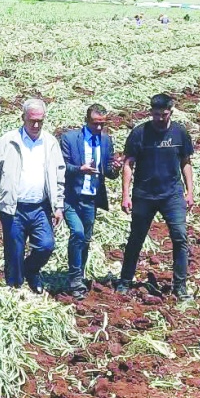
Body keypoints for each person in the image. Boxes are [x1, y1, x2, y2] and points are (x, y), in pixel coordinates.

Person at [0, 99, 65, 293]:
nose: (35, 125)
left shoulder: (50, 142)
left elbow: (59, 175)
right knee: (14, 252)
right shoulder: (9, 140)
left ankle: (31, 270)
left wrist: (58, 205)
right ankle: (14, 288)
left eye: (40, 121)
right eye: (31, 120)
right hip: (13, 207)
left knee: (46, 245)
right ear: (23, 118)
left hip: (41, 207)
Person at [118, 93, 194, 301]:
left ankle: (180, 285)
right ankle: (125, 281)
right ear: (150, 112)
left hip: (172, 195)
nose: (160, 118)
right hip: (144, 194)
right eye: (157, 114)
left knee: (180, 237)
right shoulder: (139, 133)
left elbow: (185, 162)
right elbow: (128, 164)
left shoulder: (180, 133)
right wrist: (125, 194)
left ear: (171, 112)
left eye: (165, 114)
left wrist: (190, 191)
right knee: (136, 238)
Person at [59, 104, 123, 300]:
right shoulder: (70, 138)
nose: (98, 128)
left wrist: (116, 167)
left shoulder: (106, 140)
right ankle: (75, 279)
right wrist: (80, 169)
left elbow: (109, 173)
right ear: (87, 121)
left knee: (85, 239)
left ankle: (79, 275)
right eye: (95, 124)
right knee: (77, 233)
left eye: (102, 124)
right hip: (71, 196)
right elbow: (61, 166)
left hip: (91, 198)